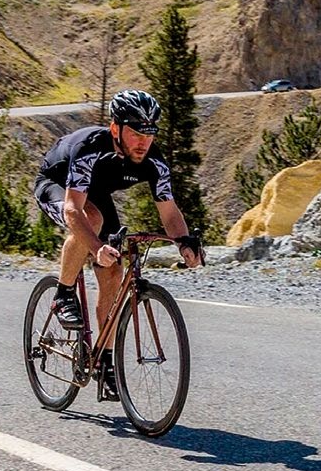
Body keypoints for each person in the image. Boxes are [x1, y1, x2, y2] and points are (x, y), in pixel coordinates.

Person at [33, 89, 203, 400]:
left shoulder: (154, 160)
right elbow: (73, 209)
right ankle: (63, 294)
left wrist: (183, 242)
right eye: (136, 133)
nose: (144, 141)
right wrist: (95, 246)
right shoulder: (90, 148)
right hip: (57, 185)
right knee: (92, 221)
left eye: (149, 134)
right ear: (116, 129)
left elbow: (169, 211)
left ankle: (105, 365)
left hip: (94, 194)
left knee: (112, 275)